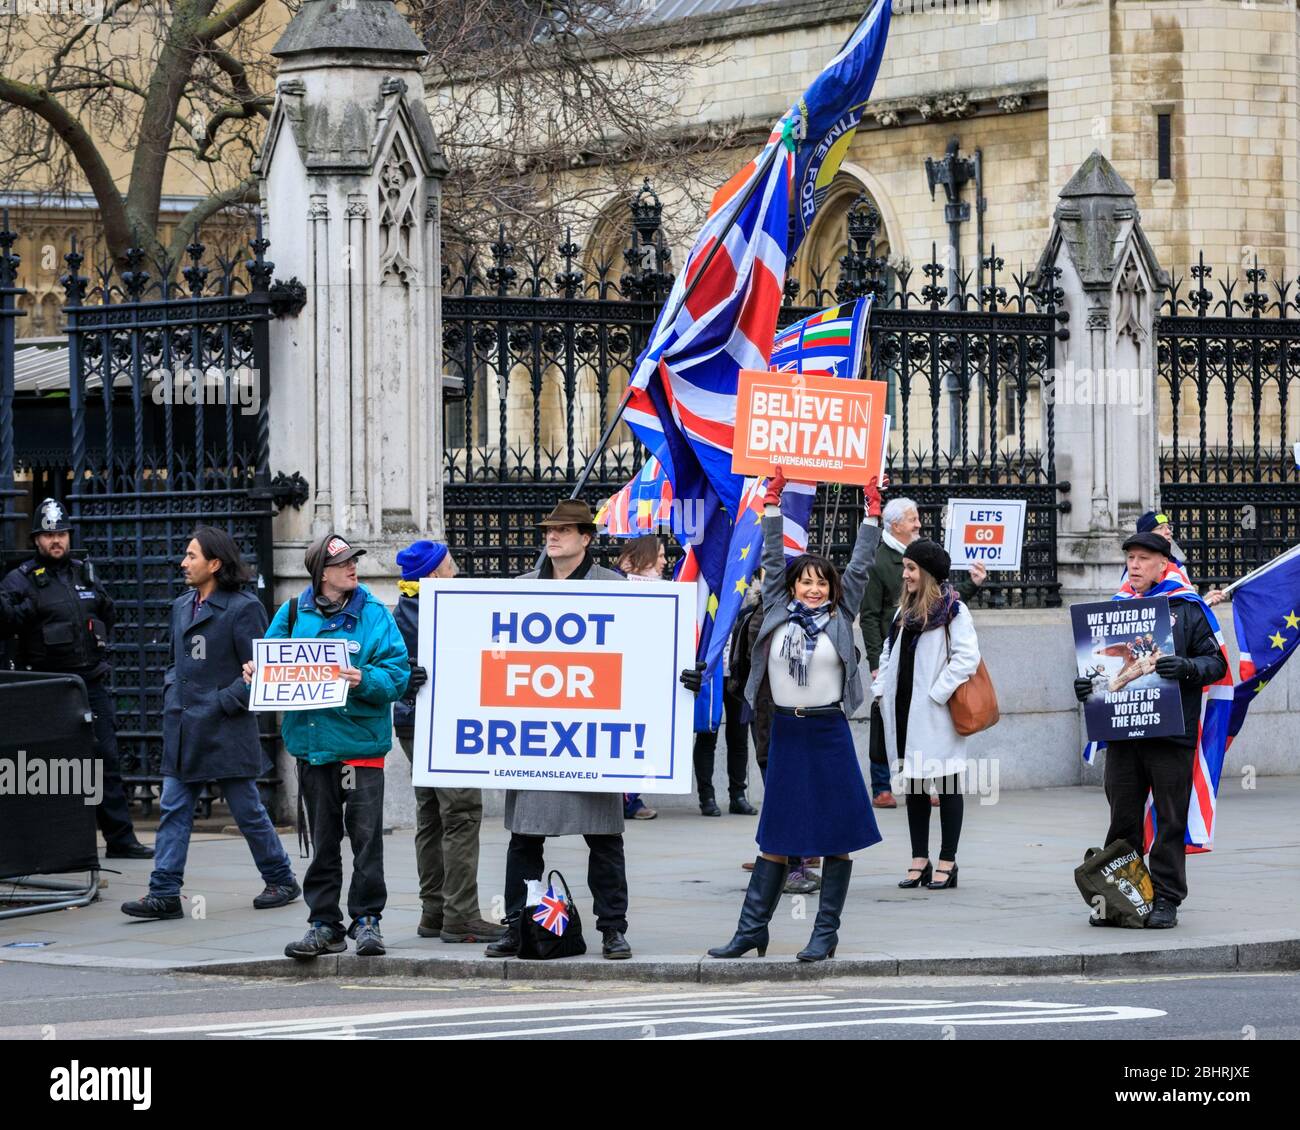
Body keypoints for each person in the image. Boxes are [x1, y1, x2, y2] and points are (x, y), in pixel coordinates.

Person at [700, 470, 883, 963]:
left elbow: (861, 566)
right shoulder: (779, 608)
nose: (814, 589)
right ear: (794, 585)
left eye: (822, 582)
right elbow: (773, 557)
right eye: (807, 581)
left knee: (837, 838)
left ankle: (824, 934)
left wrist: (872, 514)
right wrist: (773, 504)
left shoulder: (841, 619)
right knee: (775, 836)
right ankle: (750, 930)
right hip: (787, 731)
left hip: (828, 733)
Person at [244, 534, 410, 961]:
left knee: (366, 839)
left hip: (360, 749)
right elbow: (273, 662)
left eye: (355, 560)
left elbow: (398, 675)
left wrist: (365, 679)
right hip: (314, 747)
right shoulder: (293, 611)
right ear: (321, 573)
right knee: (322, 841)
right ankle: (324, 925)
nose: (354, 567)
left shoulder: (374, 613)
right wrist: (256, 672)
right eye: (343, 563)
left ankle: (367, 920)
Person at [122, 528, 299, 920]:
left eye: (191, 556)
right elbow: (174, 662)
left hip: (225, 728)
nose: (183, 563)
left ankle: (282, 878)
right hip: (183, 728)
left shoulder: (243, 607)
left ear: (215, 563)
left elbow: (260, 670)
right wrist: (173, 693)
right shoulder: (181, 605)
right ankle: (164, 892)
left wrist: (223, 702)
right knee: (173, 809)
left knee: (248, 811)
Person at [486, 500, 633, 960]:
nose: (552, 538)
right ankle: (517, 924)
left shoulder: (616, 587)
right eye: (549, 530)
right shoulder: (522, 587)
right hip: (538, 738)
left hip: (590, 738)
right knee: (524, 840)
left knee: (605, 839)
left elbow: (641, 652)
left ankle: (612, 928)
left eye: (564, 531)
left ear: (586, 538)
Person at [1073, 530, 1229, 929]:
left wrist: (1188, 668)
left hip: (1170, 734)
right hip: (1125, 734)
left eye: (1143, 559)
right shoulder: (1117, 609)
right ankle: (1118, 896)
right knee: (1122, 819)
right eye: (1131, 558)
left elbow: (1217, 664)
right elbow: (1100, 671)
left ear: (1163, 565)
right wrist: (1086, 687)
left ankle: (1166, 898)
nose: (1135, 566)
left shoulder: (1187, 608)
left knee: (1170, 818)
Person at [0, 498, 152, 860]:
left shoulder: (84, 572)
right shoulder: (19, 579)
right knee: (50, 768)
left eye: (62, 533)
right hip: (47, 686)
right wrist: (28, 609)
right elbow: (6, 623)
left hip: (90, 683)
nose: (57, 541)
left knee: (105, 760)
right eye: (49, 534)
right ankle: (55, 843)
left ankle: (120, 840)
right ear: (37, 539)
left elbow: (106, 613)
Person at [392, 538, 505, 943]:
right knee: (460, 813)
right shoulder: (443, 609)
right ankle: (461, 916)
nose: (457, 571)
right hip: (444, 723)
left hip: (410, 723)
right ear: (435, 573)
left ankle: (433, 911)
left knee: (431, 815)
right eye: (451, 565)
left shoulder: (402, 608)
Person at [859, 496, 986, 809]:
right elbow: (873, 618)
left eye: (911, 569)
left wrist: (972, 584)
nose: (918, 524)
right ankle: (882, 786)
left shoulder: (927, 564)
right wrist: (878, 667)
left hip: (929, 691)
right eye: (912, 519)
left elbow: (945, 603)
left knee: (936, 765)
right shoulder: (880, 562)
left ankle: (942, 846)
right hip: (899, 673)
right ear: (896, 524)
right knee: (890, 730)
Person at [871, 540, 981, 892]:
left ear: (928, 573)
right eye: (904, 567)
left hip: (937, 714)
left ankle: (948, 861)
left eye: (911, 568)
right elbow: (889, 654)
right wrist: (881, 691)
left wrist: (937, 694)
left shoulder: (953, 611)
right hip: (904, 711)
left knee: (947, 785)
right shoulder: (902, 613)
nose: (905, 575)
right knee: (915, 786)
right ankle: (920, 858)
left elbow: (967, 658)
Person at [613, 534, 666, 820]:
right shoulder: (615, 584)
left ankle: (630, 797)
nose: (663, 561)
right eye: (658, 554)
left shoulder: (660, 589)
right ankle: (620, 799)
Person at [1131, 510, 1226, 606]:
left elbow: (1188, 607)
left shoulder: (1176, 564)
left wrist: (1205, 601)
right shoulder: (1135, 569)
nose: (1168, 532)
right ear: (1146, 535)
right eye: (1160, 528)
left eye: (1168, 527)